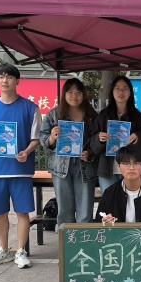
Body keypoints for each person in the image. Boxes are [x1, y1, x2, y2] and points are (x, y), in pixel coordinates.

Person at [0, 63, 42, 269]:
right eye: (1, 76)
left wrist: (26, 152)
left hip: (20, 170)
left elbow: (36, 139)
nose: (5, 80)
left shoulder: (30, 108)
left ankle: (21, 251)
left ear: (17, 81)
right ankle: (3, 250)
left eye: (9, 77)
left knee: (22, 212)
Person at [40, 78, 98, 226]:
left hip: (85, 166)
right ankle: (66, 239)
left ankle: (83, 238)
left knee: (85, 209)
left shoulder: (92, 115)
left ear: (83, 95)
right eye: (70, 92)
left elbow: (98, 141)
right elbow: (43, 139)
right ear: (64, 94)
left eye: (78, 92)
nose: (74, 96)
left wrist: (90, 152)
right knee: (65, 210)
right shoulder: (54, 114)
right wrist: (52, 138)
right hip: (60, 168)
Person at [90, 75, 141, 194]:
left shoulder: (137, 116)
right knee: (109, 201)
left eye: (125, 88)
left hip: (130, 169)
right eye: (117, 88)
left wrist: (138, 137)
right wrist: (99, 139)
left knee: (129, 201)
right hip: (107, 169)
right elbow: (92, 142)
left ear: (130, 93)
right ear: (112, 91)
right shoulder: (103, 115)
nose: (121, 92)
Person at [95, 145, 141, 224]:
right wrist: (105, 222)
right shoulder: (110, 193)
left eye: (136, 163)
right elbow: (99, 223)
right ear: (118, 166)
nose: (131, 168)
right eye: (126, 163)